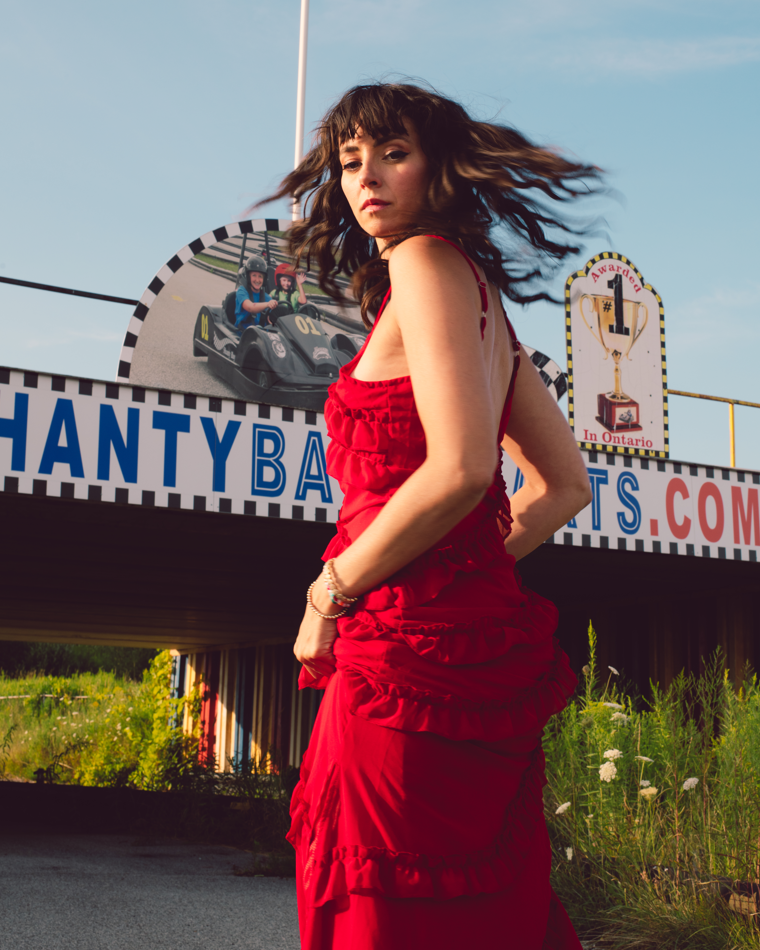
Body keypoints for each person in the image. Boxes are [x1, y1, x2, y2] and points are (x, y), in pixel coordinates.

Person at [261, 82, 599, 949]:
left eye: (392, 154)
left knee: (382, 900)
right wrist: (467, 569)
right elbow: (561, 486)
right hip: (465, 655)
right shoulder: (478, 299)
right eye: (348, 162)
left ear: (441, 167)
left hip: (400, 664)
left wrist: (328, 592)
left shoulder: (420, 264)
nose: (365, 179)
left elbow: (458, 470)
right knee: (478, 911)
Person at [234, 255, 277, 328]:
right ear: (248, 276)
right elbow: (250, 307)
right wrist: (268, 304)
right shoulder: (241, 291)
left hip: (260, 334)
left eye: (260, 276)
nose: (257, 280)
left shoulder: (266, 297)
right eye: (254, 275)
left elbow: (270, 317)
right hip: (243, 334)